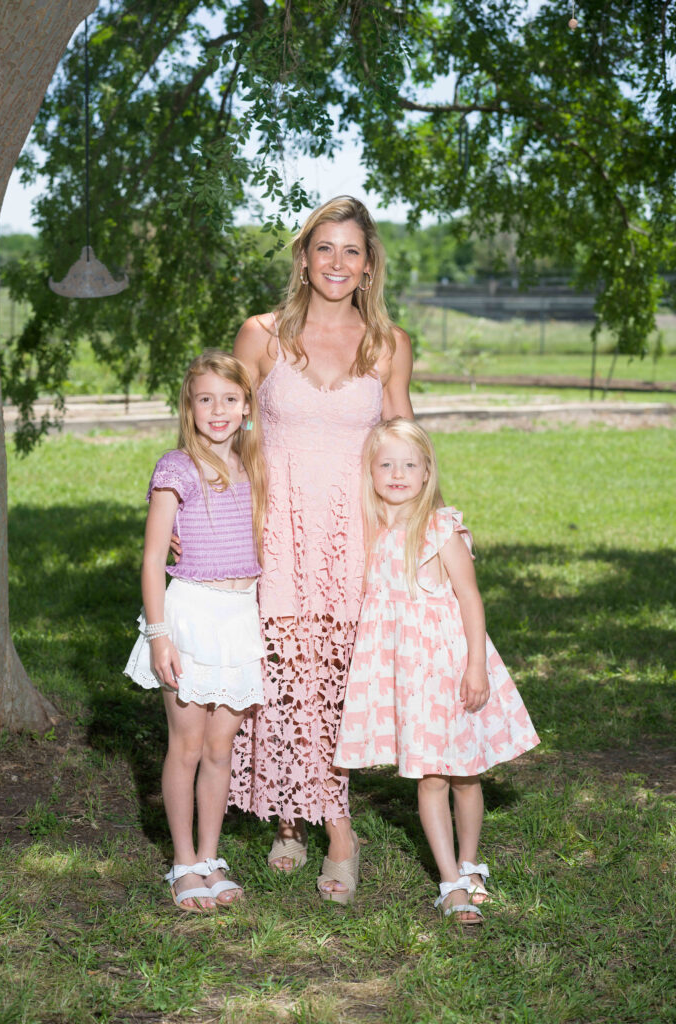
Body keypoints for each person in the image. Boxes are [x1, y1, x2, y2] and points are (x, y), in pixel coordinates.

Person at [228, 196, 414, 903]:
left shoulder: (387, 343)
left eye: (352, 252)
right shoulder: (262, 335)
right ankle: (316, 825)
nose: (337, 263)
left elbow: (403, 440)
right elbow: (222, 425)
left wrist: (425, 525)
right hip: (275, 533)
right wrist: (191, 502)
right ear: (304, 257)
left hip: (355, 538)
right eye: (324, 248)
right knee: (283, 682)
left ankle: (320, 818)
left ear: (369, 266)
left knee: (331, 690)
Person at [333, 419, 540, 922]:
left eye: (410, 464)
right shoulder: (368, 526)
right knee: (429, 776)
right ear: (370, 471)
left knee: (466, 774)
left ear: (427, 472)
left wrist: (475, 667)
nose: (397, 473)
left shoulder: (440, 527)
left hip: (448, 665)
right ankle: (450, 882)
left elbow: (469, 597)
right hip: (406, 674)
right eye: (386, 464)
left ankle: (470, 863)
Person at [124, 351, 267, 913]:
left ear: (247, 407)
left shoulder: (255, 466)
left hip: (240, 619)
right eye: (205, 399)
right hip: (189, 616)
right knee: (185, 747)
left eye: (230, 399)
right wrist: (160, 635)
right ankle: (183, 862)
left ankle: (211, 855)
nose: (218, 410)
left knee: (219, 748)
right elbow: (154, 556)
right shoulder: (176, 468)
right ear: (189, 406)